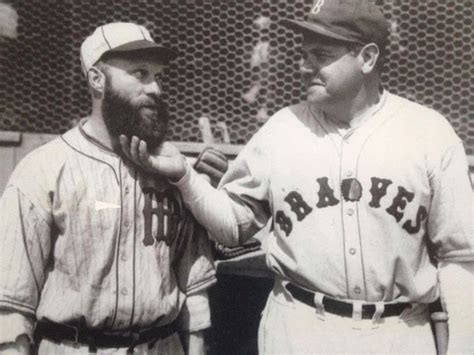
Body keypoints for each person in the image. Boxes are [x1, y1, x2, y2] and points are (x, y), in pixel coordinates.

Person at [120, 1, 473, 354]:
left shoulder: (428, 134)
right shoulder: (281, 130)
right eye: (304, 54)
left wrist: (463, 347)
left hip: (399, 331)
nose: (304, 67)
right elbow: (234, 226)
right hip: (300, 326)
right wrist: (185, 177)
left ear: (367, 58)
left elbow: (460, 258)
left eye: (321, 54)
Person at [0, 22, 218, 355]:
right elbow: (12, 307)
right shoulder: (43, 170)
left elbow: (195, 295)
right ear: (96, 79)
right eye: (141, 73)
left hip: (161, 346)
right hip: (73, 346)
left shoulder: (170, 169)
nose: (156, 88)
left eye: (158, 76)